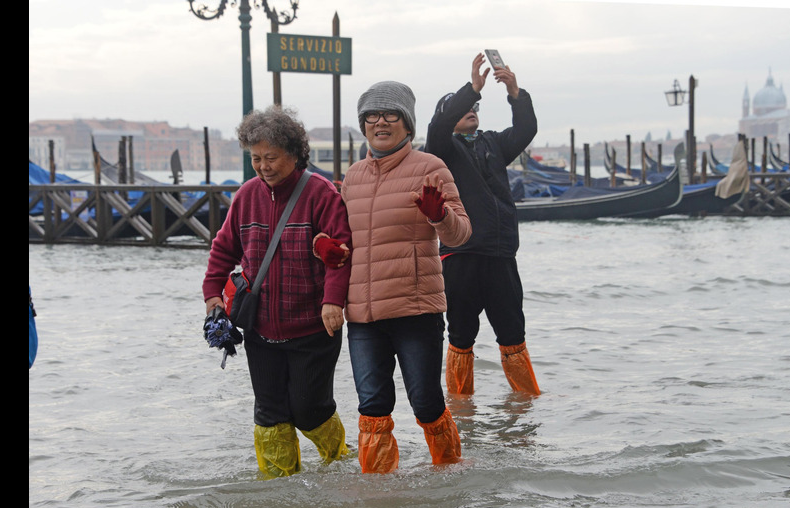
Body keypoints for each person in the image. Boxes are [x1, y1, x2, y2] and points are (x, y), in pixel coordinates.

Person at [202, 106, 353, 479]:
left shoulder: (321, 193)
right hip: (260, 328)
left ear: (294, 153)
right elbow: (223, 249)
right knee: (269, 414)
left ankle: (342, 461)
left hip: (313, 327)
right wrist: (212, 295)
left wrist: (333, 301)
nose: (263, 166)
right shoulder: (246, 195)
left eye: (270, 157)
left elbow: (340, 251)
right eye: (255, 158)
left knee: (309, 410)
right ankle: (277, 495)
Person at [338, 81, 472, 474]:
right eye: (371, 116)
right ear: (363, 125)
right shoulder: (354, 177)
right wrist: (331, 250)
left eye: (390, 114)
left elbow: (462, 233)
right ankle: (380, 495)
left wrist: (439, 216)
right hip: (362, 316)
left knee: (426, 402)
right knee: (372, 408)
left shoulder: (430, 167)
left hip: (415, 310)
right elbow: (349, 242)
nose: (381, 122)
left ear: (407, 124)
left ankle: (450, 475)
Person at [425, 52, 541, 396]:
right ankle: (461, 406)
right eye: (463, 108)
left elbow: (526, 129)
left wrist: (516, 93)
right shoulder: (441, 150)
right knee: (461, 335)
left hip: (502, 254)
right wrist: (473, 88)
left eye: (474, 107)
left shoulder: (494, 143)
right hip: (461, 256)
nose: (471, 110)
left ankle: (525, 403)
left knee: (513, 334)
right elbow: (438, 125)